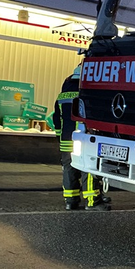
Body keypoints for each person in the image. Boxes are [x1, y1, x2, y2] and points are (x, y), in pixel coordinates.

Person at [53, 65, 110, 211]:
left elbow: (56, 119)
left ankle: (70, 201)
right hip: (83, 137)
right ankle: (92, 201)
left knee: (68, 168)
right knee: (88, 167)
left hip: (66, 138)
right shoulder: (86, 93)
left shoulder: (62, 95)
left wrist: (59, 135)